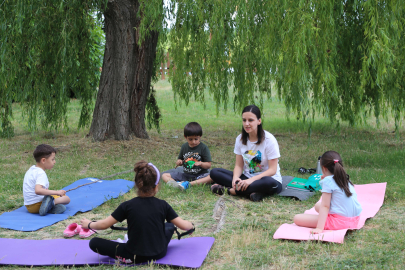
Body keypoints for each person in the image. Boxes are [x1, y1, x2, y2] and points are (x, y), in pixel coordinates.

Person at [80, 161, 194, 264]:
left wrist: (89, 224)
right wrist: (191, 225)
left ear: (137, 185)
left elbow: (104, 225)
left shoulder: (127, 205)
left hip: (133, 256)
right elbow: (184, 226)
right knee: (170, 225)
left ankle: (126, 251)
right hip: (160, 253)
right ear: (156, 187)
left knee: (94, 242)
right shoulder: (163, 205)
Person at [210, 105, 282, 202]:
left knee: (268, 183)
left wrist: (250, 181)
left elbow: (272, 170)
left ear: (259, 121)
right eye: (244, 120)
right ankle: (253, 193)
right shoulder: (240, 139)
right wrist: (235, 179)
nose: (246, 124)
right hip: (245, 178)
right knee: (214, 172)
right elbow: (239, 166)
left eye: (250, 120)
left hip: (268, 179)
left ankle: (230, 191)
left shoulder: (269, 140)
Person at [293, 151, 362, 233]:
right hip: (354, 220)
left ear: (324, 168)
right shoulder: (344, 178)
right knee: (317, 206)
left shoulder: (328, 181)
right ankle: (330, 217)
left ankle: (327, 221)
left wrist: (319, 228)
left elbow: (325, 206)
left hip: (340, 222)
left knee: (297, 218)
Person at [161, 122, 212, 190]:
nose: (193, 142)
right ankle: (176, 184)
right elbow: (180, 159)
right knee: (164, 175)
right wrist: (179, 162)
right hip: (186, 175)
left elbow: (208, 165)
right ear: (185, 137)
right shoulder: (184, 147)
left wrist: (201, 163)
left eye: (196, 139)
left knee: (212, 177)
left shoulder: (203, 148)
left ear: (200, 136)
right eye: (190, 139)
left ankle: (188, 184)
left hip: (200, 175)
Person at [23, 144, 70, 216]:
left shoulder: (32, 169)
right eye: (52, 159)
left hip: (30, 207)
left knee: (62, 207)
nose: (54, 162)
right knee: (66, 199)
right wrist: (57, 192)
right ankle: (51, 203)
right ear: (43, 160)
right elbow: (38, 190)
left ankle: (50, 207)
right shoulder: (41, 173)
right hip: (38, 204)